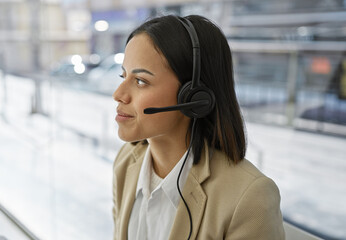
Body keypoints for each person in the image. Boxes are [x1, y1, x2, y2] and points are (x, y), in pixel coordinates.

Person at [112, 15, 285, 240]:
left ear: (194, 97)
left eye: (141, 81)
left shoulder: (249, 197)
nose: (118, 94)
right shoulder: (127, 161)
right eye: (123, 75)